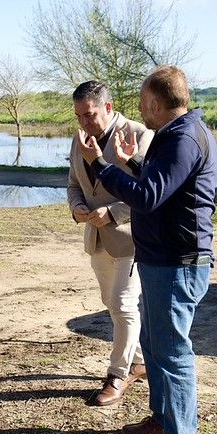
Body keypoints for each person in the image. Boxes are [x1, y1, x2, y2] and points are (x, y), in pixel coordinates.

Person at [78, 65, 217, 434]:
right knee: (155, 347)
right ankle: (162, 420)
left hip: (178, 262)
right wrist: (133, 164)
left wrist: (102, 164)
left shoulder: (183, 139)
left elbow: (148, 197)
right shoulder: (175, 136)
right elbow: (164, 186)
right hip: (161, 259)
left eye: (143, 102)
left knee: (172, 352)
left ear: (156, 103)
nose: (140, 109)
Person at [67, 80, 153, 406]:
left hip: (133, 239)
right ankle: (141, 360)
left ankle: (118, 375)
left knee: (122, 304)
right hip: (96, 237)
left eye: (89, 115)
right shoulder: (79, 139)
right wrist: (76, 206)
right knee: (111, 302)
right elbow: (74, 184)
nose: (84, 122)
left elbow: (151, 192)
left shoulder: (139, 135)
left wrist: (114, 212)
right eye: (78, 116)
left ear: (108, 107)